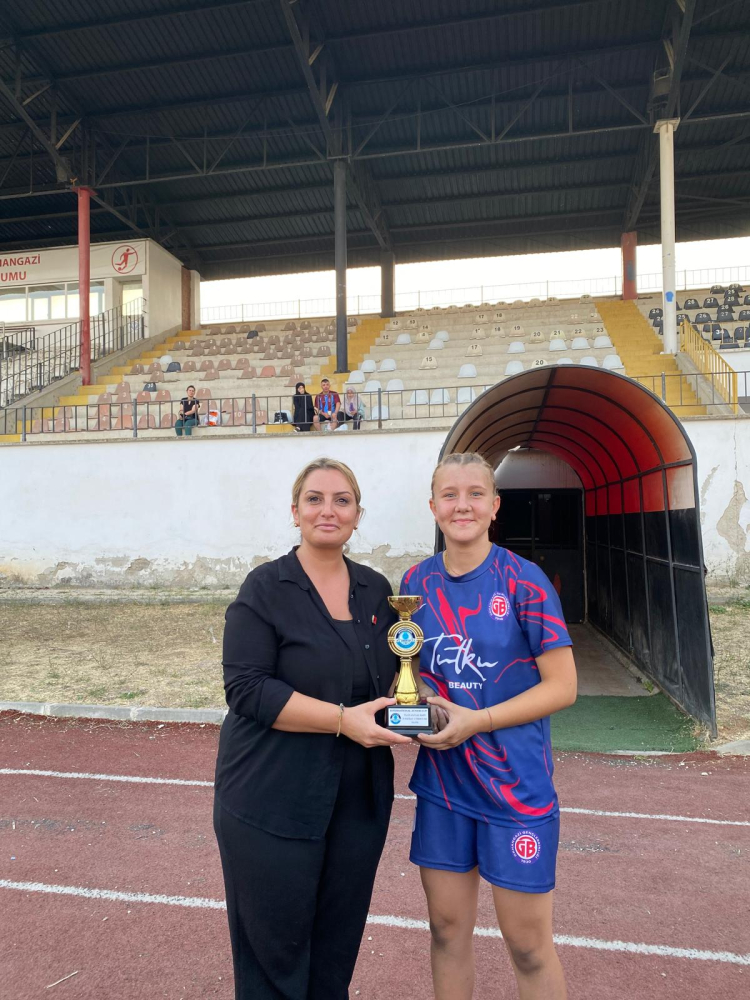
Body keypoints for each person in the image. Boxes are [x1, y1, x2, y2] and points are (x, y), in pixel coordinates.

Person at [213, 457, 412, 1000]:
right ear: (295, 511)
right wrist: (343, 721)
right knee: (274, 961)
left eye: (342, 500)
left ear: (357, 515)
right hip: (270, 798)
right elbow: (247, 689)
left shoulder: (376, 589)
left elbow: (391, 682)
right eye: (315, 499)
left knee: (333, 956)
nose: (329, 510)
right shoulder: (264, 587)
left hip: (357, 804)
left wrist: (423, 711)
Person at [400, 452, 577, 1000]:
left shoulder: (525, 581)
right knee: (446, 930)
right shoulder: (414, 582)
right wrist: (416, 699)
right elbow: (412, 674)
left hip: (514, 787)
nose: (463, 505)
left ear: (495, 506)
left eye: (475, 494)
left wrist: (478, 721)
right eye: (449, 495)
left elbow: (563, 687)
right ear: (432, 506)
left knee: (528, 946)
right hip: (445, 786)